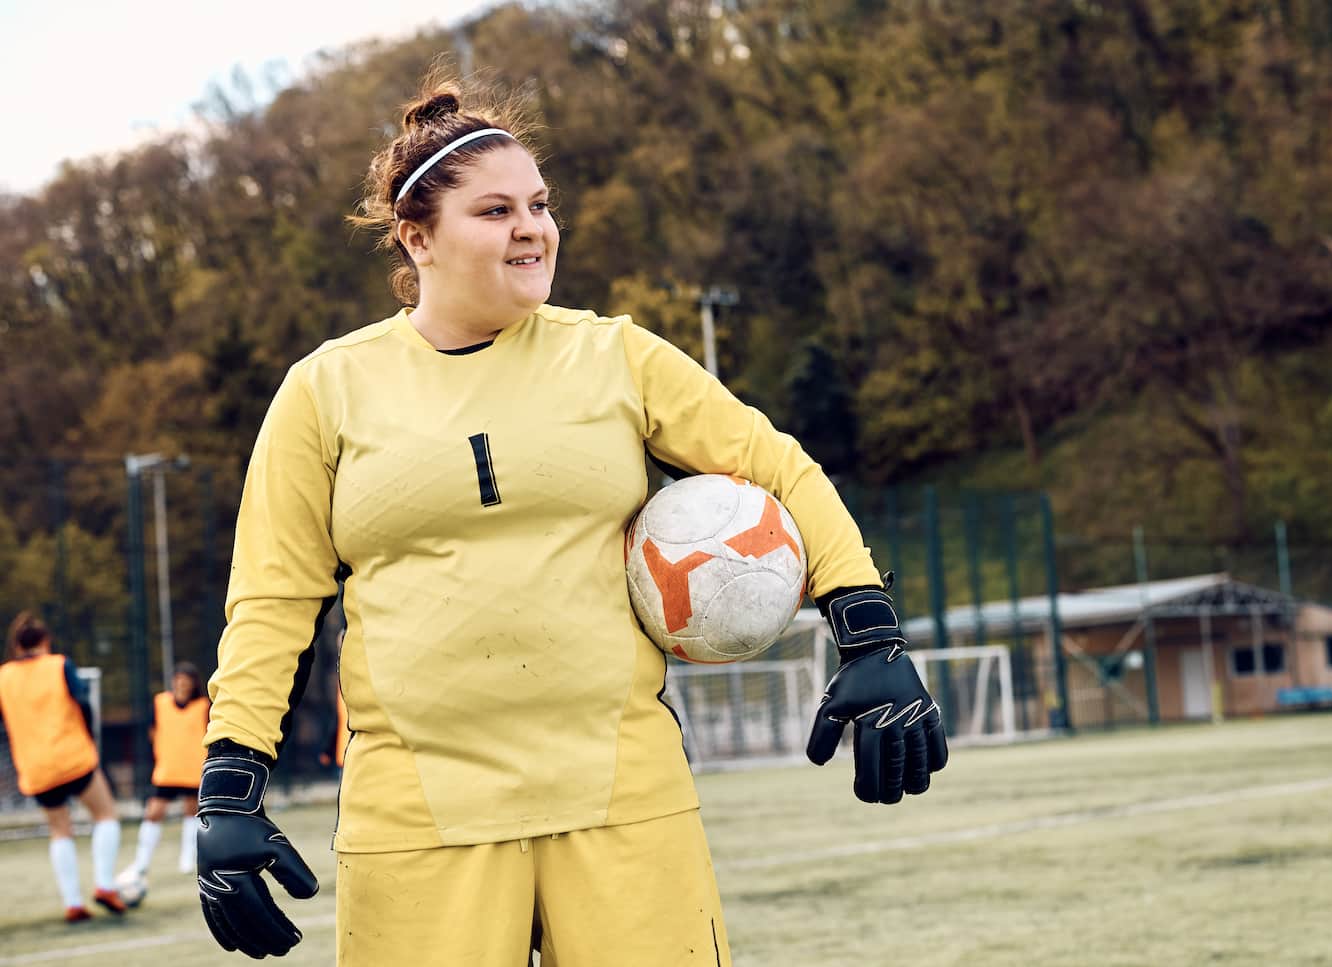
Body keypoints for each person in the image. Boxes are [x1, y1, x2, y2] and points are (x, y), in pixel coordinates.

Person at [197, 70, 947, 966]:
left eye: (540, 204)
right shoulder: (325, 390)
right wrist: (229, 785)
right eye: (494, 210)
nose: (531, 228)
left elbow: (780, 469)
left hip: (624, 795)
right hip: (418, 812)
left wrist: (869, 632)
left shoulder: (616, 355)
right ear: (415, 237)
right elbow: (274, 599)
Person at [0, 612, 126, 922]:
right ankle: (105, 886)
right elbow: (83, 703)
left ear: (16, 645)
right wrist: (88, 735)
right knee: (106, 814)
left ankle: (73, 903)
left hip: (35, 767)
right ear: (45, 641)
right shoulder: (58, 665)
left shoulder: (3, 676)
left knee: (59, 830)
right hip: (73, 758)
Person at [121, 661, 209, 881]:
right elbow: (153, 731)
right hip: (168, 770)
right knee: (153, 813)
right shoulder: (160, 703)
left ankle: (188, 858)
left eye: (186, 681)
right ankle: (141, 862)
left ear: (193, 684)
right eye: (178, 680)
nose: (182, 685)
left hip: (193, 769)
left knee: (192, 811)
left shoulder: (203, 706)